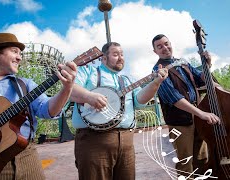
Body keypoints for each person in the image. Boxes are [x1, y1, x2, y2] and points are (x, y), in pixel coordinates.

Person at [0, 33, 77, 179]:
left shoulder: (25, 84)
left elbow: (48, 111)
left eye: (20, 53)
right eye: (15, 51)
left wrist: (66, 89)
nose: (20, 57)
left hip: (26, 156)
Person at [69, 41, 168, 180]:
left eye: (122, 54)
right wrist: (89, 97)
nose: (121, 57)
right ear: (104, 58)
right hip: (93, 141)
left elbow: (140, 101)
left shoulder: (127, 80)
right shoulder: (88, 72)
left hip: (127, 142)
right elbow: (69, 90)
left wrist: (155, 83)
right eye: (115, 54)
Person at [151, 34, 220, 177]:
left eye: (166, 43)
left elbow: (201, 78)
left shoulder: (183, 62)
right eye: (160, 46)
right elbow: (175, 98)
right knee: (185, 163)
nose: (165, 48)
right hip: (180, 123)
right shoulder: (157, 71)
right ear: (155, 51)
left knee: (202, 158)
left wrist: (207, 65)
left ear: (171, 43)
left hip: (198, 118)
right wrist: (201, 113)